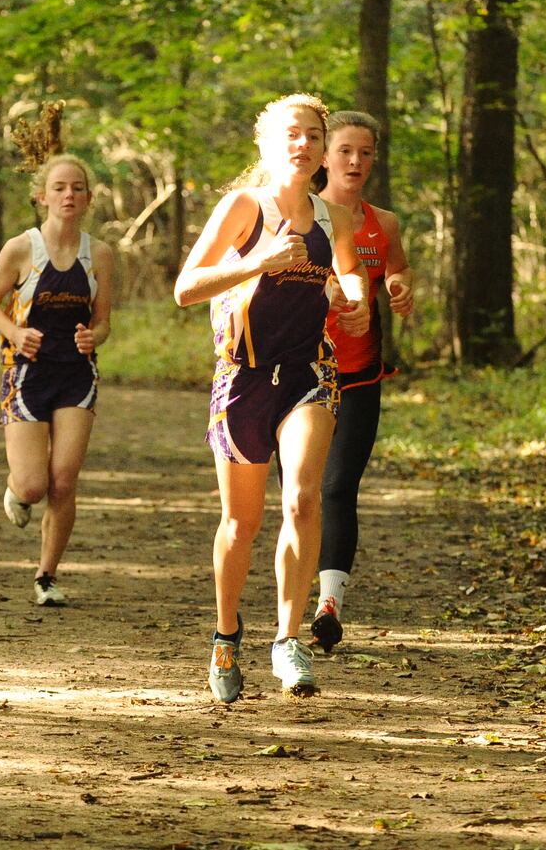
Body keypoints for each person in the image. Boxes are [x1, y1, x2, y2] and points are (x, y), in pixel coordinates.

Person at [173, 93, 369, 703]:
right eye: (292, 133)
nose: (304, 144)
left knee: (305, 496)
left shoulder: (329, 215)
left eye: (313, 134)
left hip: (309, 371)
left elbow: (343, 273)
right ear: (265, 143)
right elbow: (185, 287)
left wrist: (350, 299)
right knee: (241, 522)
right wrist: (256, 260)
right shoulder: (243, 207)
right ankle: (227, 633)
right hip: (243, 379)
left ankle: (288, 640)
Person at [0, 154, 115, 607]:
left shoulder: (101, 255)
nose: (69, 195)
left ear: (89, 198)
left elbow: (103, 322)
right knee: (35, 485)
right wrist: (15, 332)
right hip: (26, 376)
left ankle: (46, 576)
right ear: (42, 196)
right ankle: (17, 488)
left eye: (77, 187)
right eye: (59, 188)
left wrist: (91, 336)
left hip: (77, 377)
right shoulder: (21, 248)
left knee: (64, 480)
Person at [307, 111, 414, 655]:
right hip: (299, 372)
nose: (355, 161)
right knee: (300, 493)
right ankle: (292, 593)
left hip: (360, 373)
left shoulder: (385, 222)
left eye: (365, 153)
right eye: (345, 151)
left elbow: (394, 266)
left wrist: (396, 285)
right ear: (324, 156)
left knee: (337, 487)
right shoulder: (299, 216)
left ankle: (329, 603)